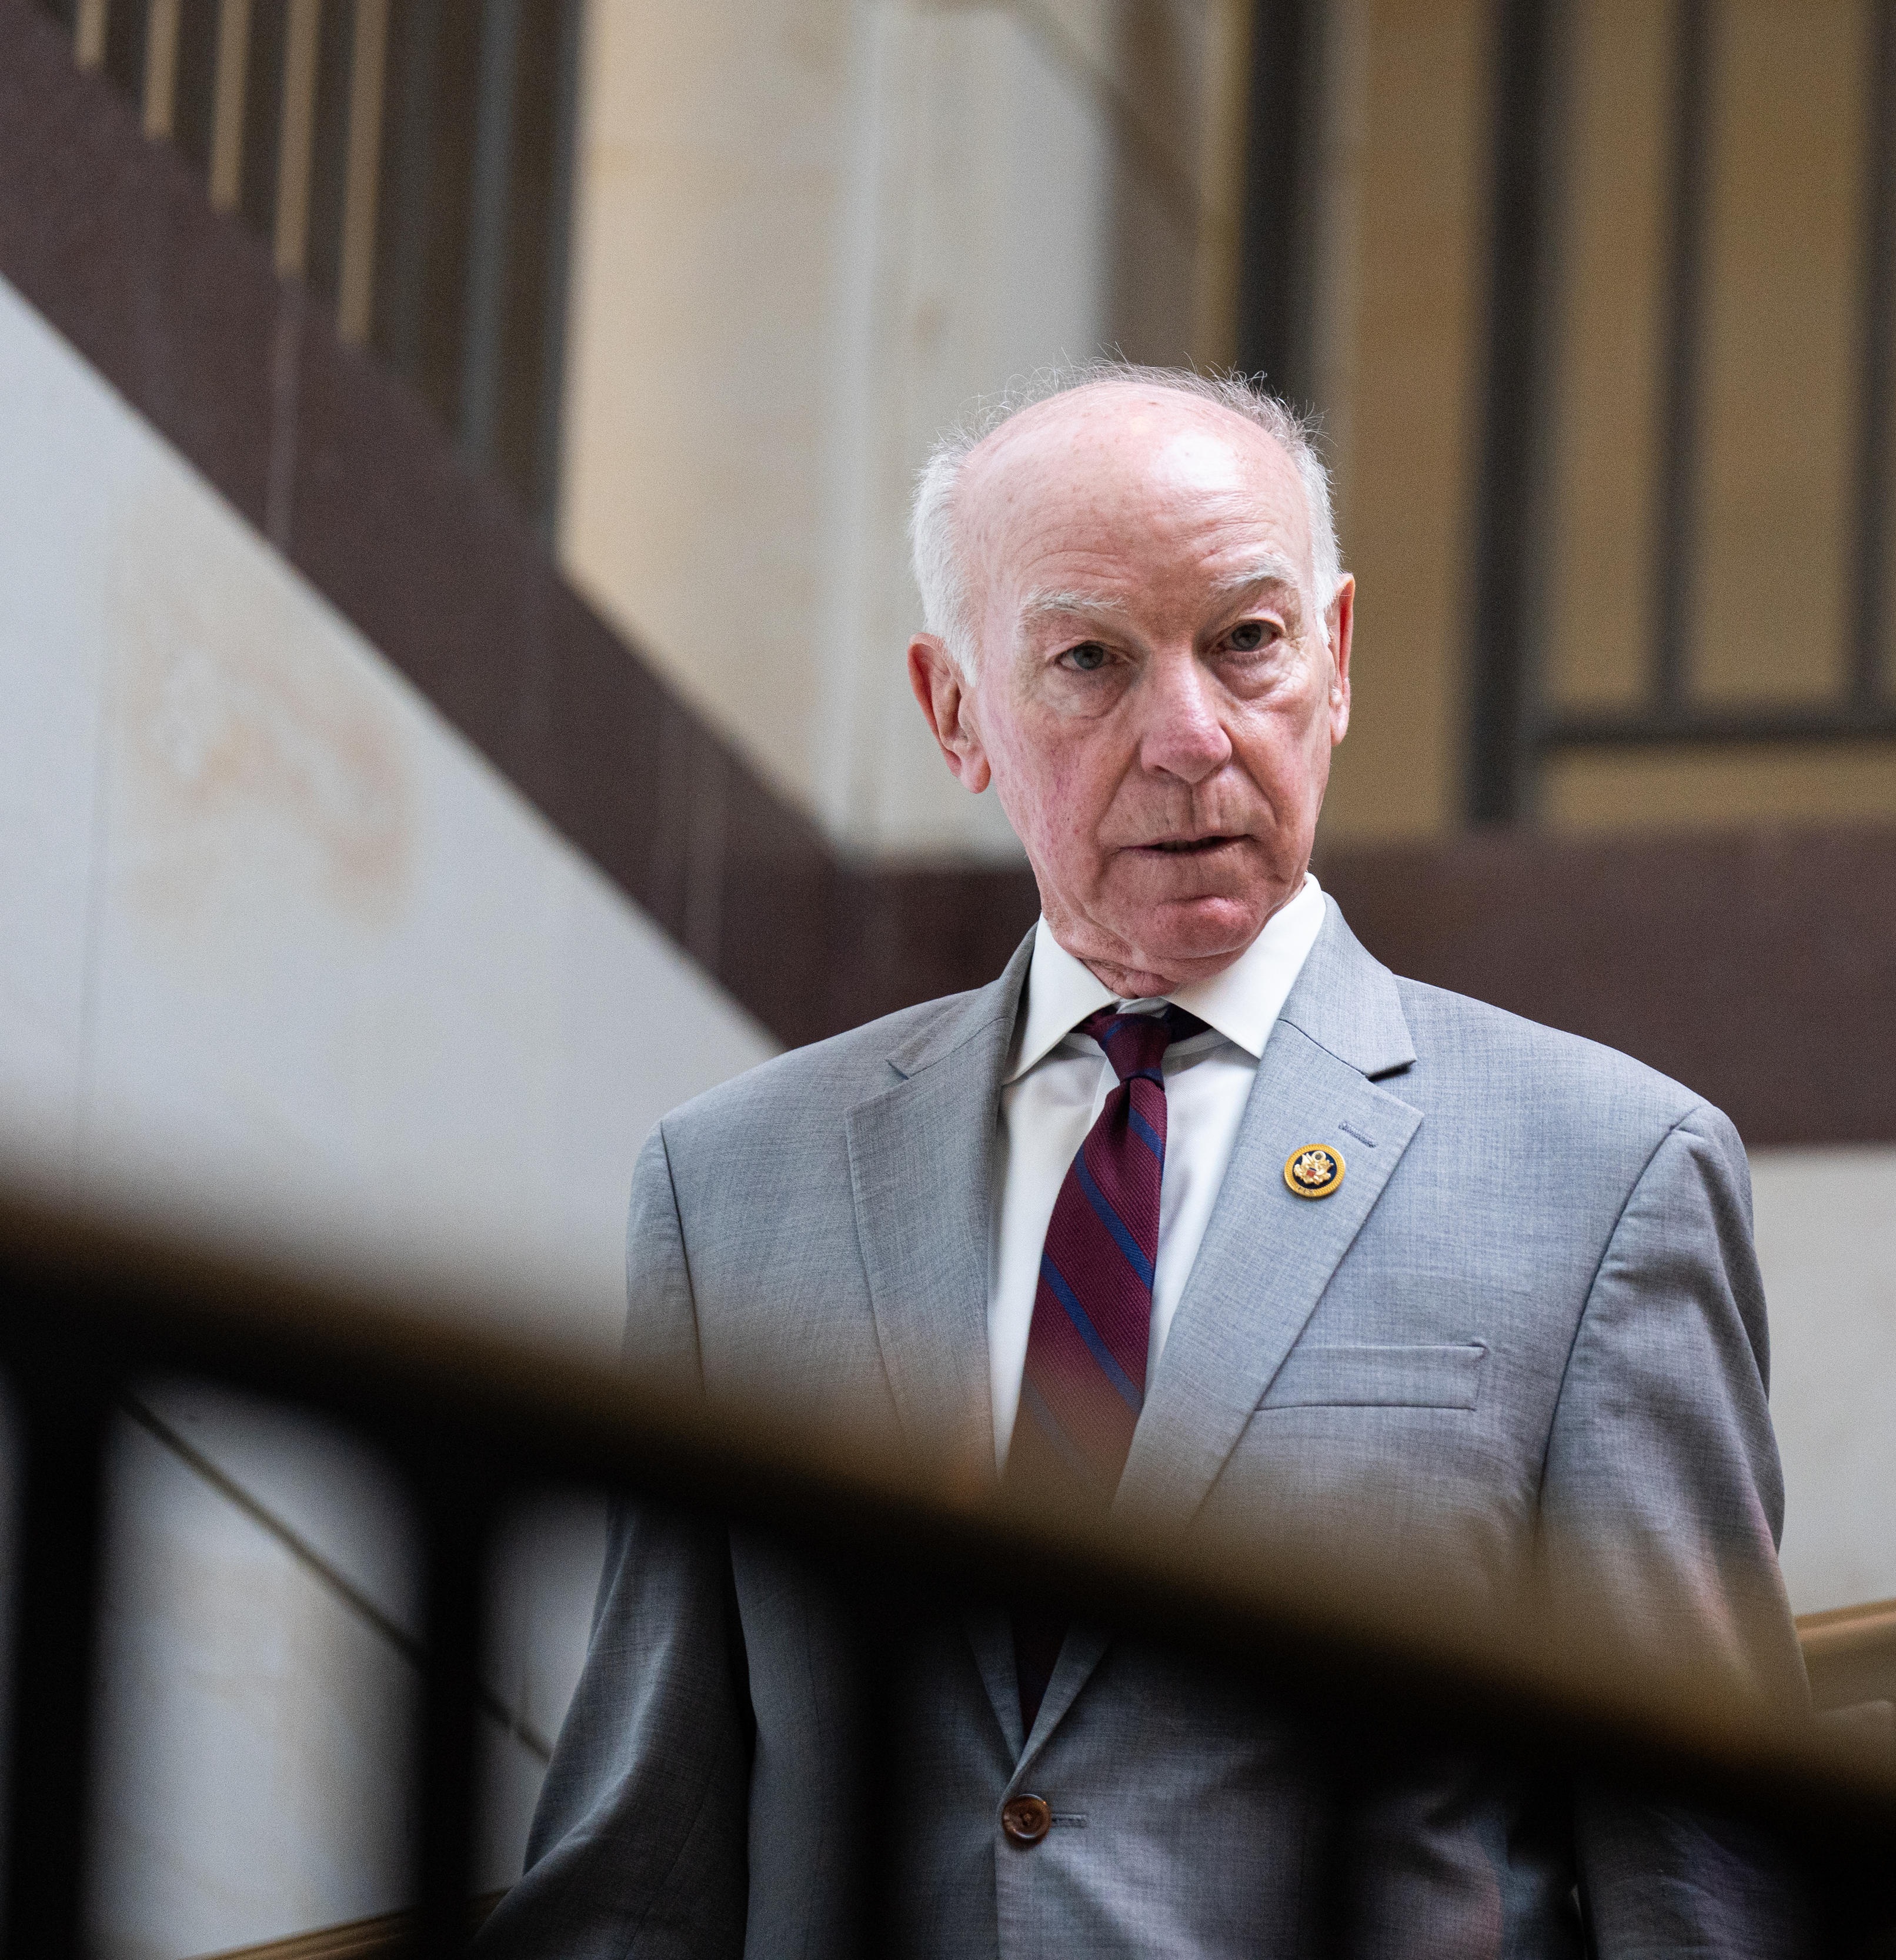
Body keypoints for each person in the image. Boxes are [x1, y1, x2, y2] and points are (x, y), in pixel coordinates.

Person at [480, 365, 1804, 1958]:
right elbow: (645, 1863)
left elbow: (1704, 1887)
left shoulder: (1606, 1177)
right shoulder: (733, 1188)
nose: (1189, 738)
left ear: (1338, 658)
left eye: (1247, 642)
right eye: (1091, 662)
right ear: (956, 711)